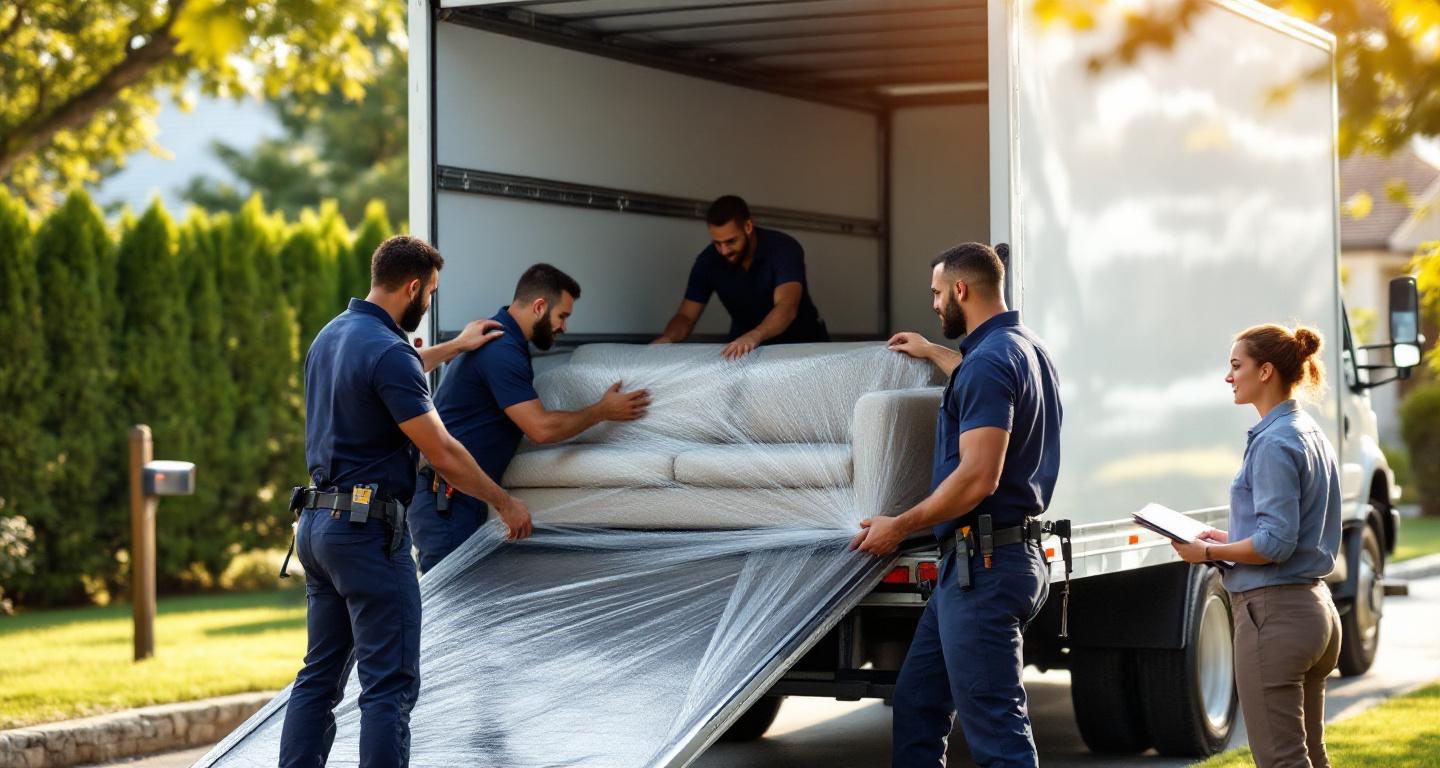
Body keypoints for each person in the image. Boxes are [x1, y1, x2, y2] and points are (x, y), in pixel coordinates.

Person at [278, 235, 533, 768]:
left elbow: (391, 375)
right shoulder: (390, 351)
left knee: (318, 680)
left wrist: (455, 348)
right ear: (414, 287)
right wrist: (503, 502)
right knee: (388, 688)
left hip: (318, 530)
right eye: (431, 294)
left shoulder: (331, 335)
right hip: (368, 538)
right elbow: (440, 451)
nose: (429, 304)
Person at [855, 242, 1061, 768]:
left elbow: (977, 477)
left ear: (960, 290)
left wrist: (899, 526)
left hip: (984, 568)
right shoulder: (1023, 348)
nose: (934, 304)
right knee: (918, 703)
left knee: (996, 728)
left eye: (936, 293)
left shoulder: (991, 362)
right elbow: (974, 379)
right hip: (980, 564)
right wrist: (930, 351)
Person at [1171, 323, 1342, 768]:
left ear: (1265, 371)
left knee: (1281, 761)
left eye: (1236, 366)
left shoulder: (1275, 441)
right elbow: (1291, 532)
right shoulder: (1308, 431)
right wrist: (1226, 539)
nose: (1229, 376)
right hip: (1314, 611)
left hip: (1276, 617)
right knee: (1309, 756)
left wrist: (1206, 554)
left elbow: (1277, 543)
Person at [408, 263, 651, 573]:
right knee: (448, 611)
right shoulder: (501, 349)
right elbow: (540, 428)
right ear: (539, 307)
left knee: (463, 609)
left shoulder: (503, 338)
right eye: (562, 316)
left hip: (455, 495)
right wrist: (602, 410)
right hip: (446, 499)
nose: (564, 327)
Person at [654, 194, 828, 359]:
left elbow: (787, 306)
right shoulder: (707, 261)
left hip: (801, 346)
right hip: (745, 348)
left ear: (748, 227)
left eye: (730, 241)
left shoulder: (783, 249)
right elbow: (686, 316)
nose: (724, 251)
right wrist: (668, 339)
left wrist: (755, 335)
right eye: (717, 243)